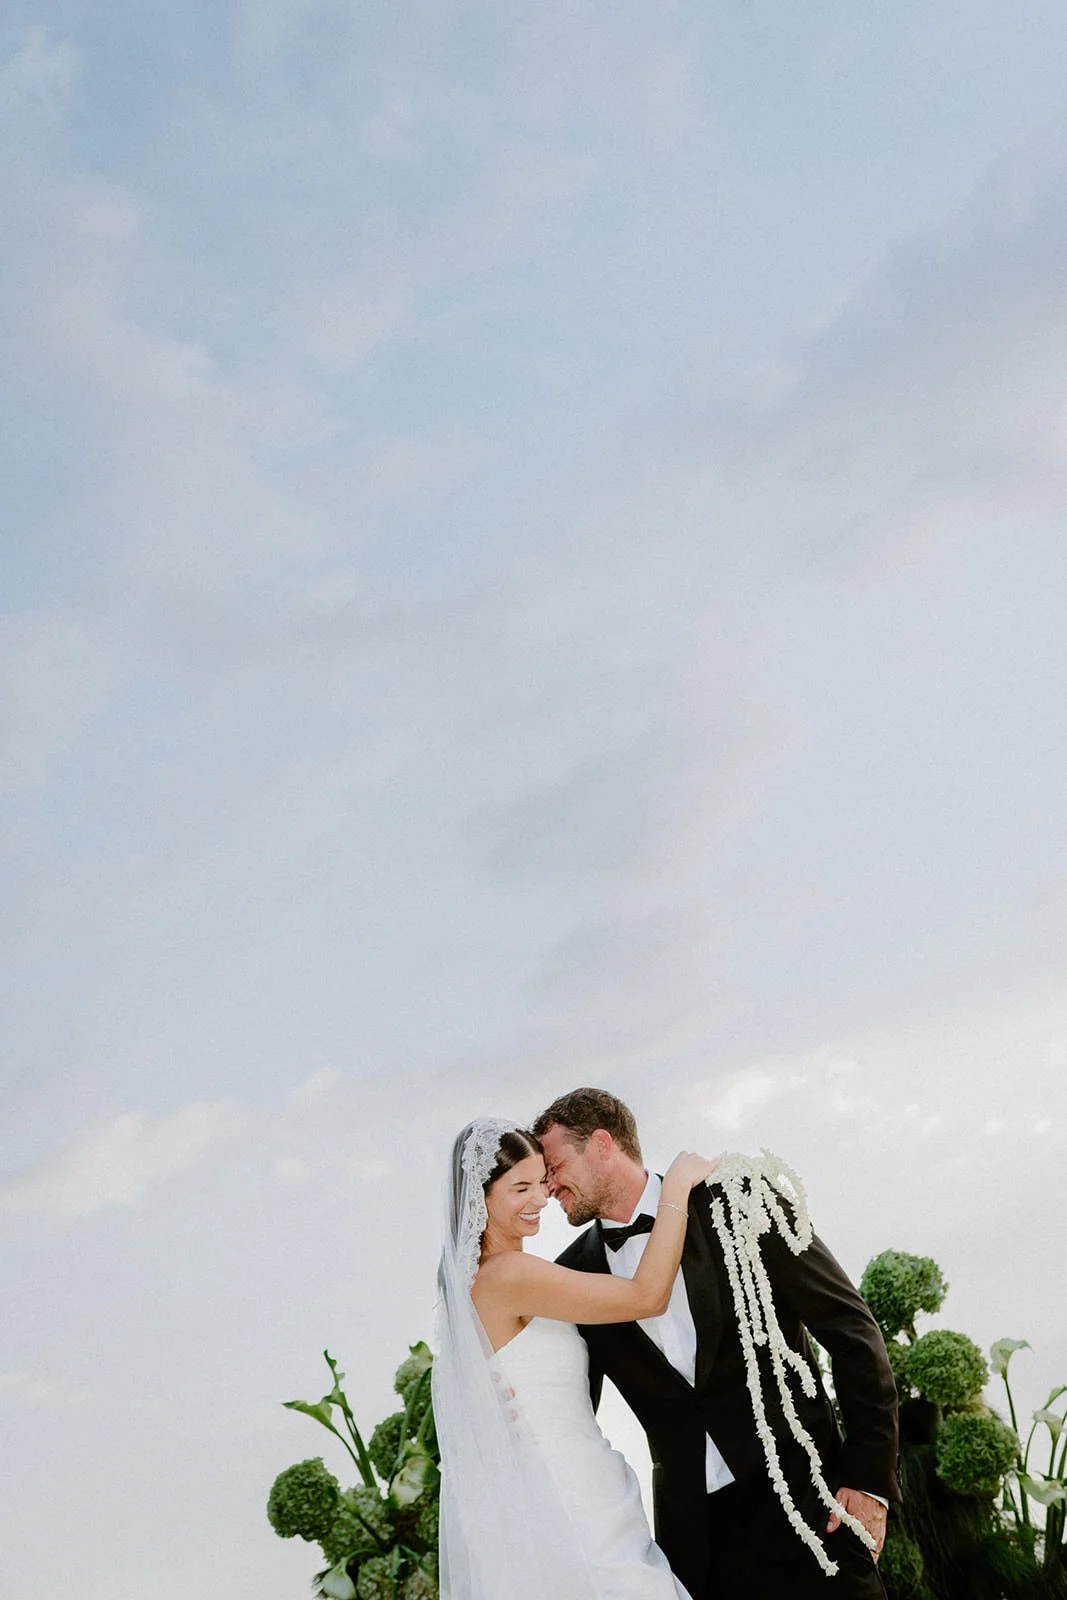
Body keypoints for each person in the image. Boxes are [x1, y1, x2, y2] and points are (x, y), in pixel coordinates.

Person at [532, 1089, 900, 1600]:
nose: (547, 1187)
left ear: (601, 1144)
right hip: (697, 1552)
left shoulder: (740, 1201)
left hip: (814, 1507)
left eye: (553, 1166)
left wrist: (868, 1483)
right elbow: (572, 1416)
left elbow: (852, 1331)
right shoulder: (571, 1277)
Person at [432, 1116, 718, 1600]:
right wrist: (678, 1190)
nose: (541, 1200)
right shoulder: (507, 1277)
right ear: (479, 1199)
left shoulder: (493, 1281)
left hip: (586, 1487)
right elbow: (646, 1296)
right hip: (568, 1499)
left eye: (542, 1182)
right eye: (520, 1188)